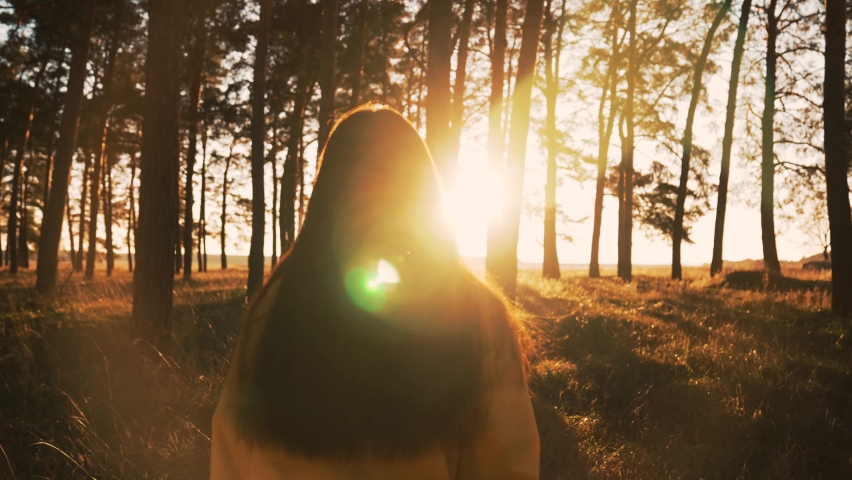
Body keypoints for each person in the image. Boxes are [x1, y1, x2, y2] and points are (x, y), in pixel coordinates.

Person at [211, 105, 539, 479]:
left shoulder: (278, 305)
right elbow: (506, 461)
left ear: (326, 194)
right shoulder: (476, 315)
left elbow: (233, 453)